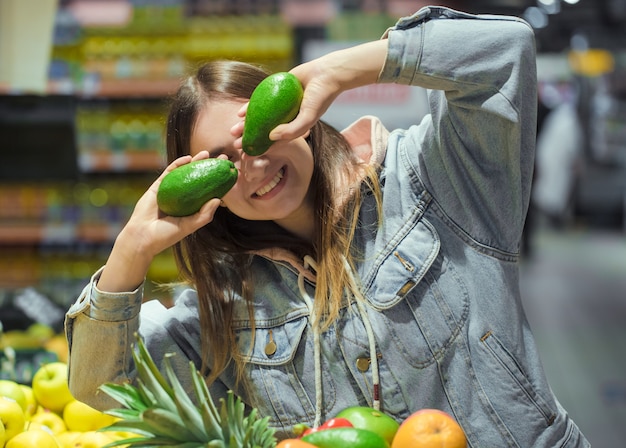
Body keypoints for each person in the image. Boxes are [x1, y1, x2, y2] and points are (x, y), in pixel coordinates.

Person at [65, 5, 589, 446]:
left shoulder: (430, 178)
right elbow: (103, 389)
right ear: (208, 191)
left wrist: (344, 69)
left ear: (298, 111)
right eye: (221, 162)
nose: (253, 165)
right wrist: (130, 250)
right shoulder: (226, 307)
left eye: (257, 132)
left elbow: (506, 52)